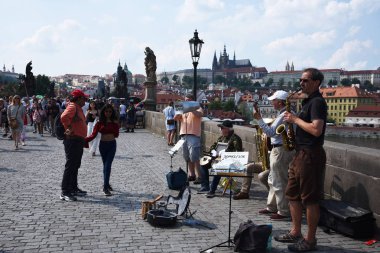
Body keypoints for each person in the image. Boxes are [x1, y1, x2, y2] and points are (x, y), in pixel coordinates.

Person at [275, 68, 327, 252]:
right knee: (293, 195)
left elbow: (316, 130)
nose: (301, 83)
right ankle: (295, 232)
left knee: (310, 200)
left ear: (316, 82)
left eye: (305, 80)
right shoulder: (307, 102)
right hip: (299, 154)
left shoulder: (318, 103)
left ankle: (310, 240)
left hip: (310, 155)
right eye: (300, 80)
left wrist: (295, 120)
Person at [238, 91, 296, 221]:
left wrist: (259, 119)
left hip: (281, 150)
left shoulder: (284, 115)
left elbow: (270, 133)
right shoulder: (283, 114)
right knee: (272, 180)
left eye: (273, 100)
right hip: (278, 150)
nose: (271, 102)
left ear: (280, 102)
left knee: (279, 182)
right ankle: (272, 207)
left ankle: (284, 211)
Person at [197, 120, 243, 198]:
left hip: (230, 162)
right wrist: (213, 151)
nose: (220, 130)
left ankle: (212, 191)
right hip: (218, 159)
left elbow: (237, 152)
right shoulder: (221, 138)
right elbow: (213, 147)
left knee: (219, 168)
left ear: (227, 129)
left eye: (222, 128)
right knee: (203, 164)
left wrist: (226, 152)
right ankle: (205, 187)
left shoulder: (235, 139)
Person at [60, 89, 89, 201]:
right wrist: (69, 128)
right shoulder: (73, 106)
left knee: (75, 165)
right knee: (70, 165)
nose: (85, 100)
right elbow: (64, 117)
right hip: (73, 139)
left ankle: (73, 188)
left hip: (78, 140)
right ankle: (65, 191)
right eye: (84, 98)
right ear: (79, 98)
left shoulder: (78, 108)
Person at [85, 104, 119, 196]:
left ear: (112, 113)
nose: (108, 113)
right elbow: (93, 135)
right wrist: (84, 140)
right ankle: (107, 184)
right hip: (103, 145)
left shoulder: (114, 122)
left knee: (108, 165)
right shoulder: (99, 122)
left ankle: (105, 187)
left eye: (110, 112)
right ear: (103, 112)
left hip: (112, 145)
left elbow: (116, 134)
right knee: (105, 166)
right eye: (106, 111)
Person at [174, 94, 203, 184]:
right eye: (186, 100)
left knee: (194, 156)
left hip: (193, 134)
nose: (186, 101)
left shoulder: (198, 108)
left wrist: (191, 109)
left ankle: (200, 176)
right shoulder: (183, 110)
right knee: (187, 156)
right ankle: (192, 175)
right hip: (183, 134)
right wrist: (177, 115)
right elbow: (176, 119)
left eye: (188, 100)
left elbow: (200, 114)